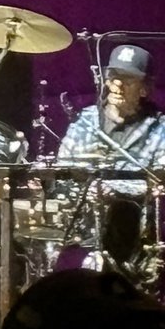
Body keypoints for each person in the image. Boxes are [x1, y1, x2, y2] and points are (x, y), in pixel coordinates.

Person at [55, 43, 165, 286]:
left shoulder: (160, 130)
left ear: (145, 88)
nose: (117, 85)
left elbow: (159, 184)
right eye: (113, 76)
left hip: (135, 235)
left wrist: (116, 192)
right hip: (80, 228)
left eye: (128, 79)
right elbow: (61, 173)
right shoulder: (84, 122)